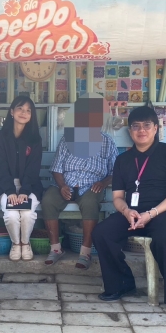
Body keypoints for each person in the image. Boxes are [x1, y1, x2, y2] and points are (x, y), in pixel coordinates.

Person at [92, 106, 166, 313]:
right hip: (133, 213)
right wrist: (126, 211)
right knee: (102, 233)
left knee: (164, 240)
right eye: (136, 126)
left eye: (147, 125)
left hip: (164, 212)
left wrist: (152, 213)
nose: (141, 130)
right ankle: (122, 283)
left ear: (156, 128)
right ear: (130, 131)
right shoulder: (123, 160)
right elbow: (118, 197)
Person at [41, 96, 118, 270]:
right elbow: (57, 168)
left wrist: (103, 183)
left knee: (90, 202)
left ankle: (85, 252)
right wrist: (62, 186)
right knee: (48, 200)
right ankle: (56, 249)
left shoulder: (107, 142)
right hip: (66, 184)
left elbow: (114, 172)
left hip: (92, 185)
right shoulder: (67, 139)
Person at [0, 96, 43, 261]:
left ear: (31, 116)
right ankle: (16, 244)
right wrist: (10, 191)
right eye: (20, 108)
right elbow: (0, 166)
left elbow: (33, 168)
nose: (24, 113)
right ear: (12, 112)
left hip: (30, 185)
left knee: (27, 213)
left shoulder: (35, 139)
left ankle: (25, 243)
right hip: (6, 185)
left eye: (28, 110)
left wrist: (25, 191)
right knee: (12, 215)